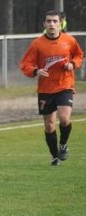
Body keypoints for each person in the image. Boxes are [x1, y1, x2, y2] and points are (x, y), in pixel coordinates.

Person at [20, 10, 83, 166]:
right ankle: (55, 156)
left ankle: (63, 145)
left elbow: (79, 55)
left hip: (65, 85)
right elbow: (25, 64)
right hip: (45, 89)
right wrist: (36, 71)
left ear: (60, 23)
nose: (52, 24)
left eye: (55, 21)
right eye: (49, 21)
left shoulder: (69, 40)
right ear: (44, 24)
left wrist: (73, 64)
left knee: (64, 118)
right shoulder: (37, 44)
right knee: (49, 124)